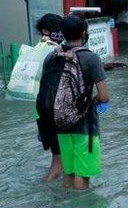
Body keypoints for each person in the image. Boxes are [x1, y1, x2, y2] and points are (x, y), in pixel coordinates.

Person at [39, 15, 109, 191]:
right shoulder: (91, 58)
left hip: (60, 126)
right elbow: (104, 96)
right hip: (86, 127)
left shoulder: (51, 57)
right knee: (83, 176)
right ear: (84, 32)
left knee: (69, 174)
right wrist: (88, 102)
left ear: (62, 33)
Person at [34, 13, 65, 182]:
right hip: (57, 110)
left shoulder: (41, 50)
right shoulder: (50, 50)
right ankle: (45, 190)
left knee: (58, 158)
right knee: (58, 162)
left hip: (43, 108)